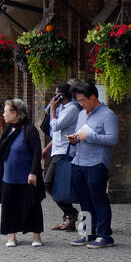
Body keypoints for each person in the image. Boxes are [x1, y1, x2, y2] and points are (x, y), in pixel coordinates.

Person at [67, 81, 119, 248]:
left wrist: (88, 137)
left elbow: (112, 139)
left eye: (83, 100)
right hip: (79, 161)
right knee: (84, 200)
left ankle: (105, 235)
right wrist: (74, 140)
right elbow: (79, 134)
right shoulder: (82, 114)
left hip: (96, 163)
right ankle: (88, 233)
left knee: (98, 199)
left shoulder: (108, 115)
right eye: (79, 101)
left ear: (93, 97)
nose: (81, 104)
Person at [0, 99, 45, 248]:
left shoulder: (29, 130)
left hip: (27, 176)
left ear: (15, 113)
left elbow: (36, 153)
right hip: (8, 176)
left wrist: (33, 173)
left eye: (6, 111)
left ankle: (36, 235)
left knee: (32, 206)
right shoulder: (9, 129)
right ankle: (11, 236)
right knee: (10, 207)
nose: (3, 113)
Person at [43, 82, 80, 231]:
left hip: (65, 152)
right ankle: (69, 217)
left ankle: (71, 213)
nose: (54, 96)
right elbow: (57, 133)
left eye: (56, 93)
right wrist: (47, 148)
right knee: (57, 185)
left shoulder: (71, 109)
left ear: (61, 95)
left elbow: (56, 126)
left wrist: (52, 108)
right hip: (57, 150)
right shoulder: (62, 109)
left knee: (48, 182)